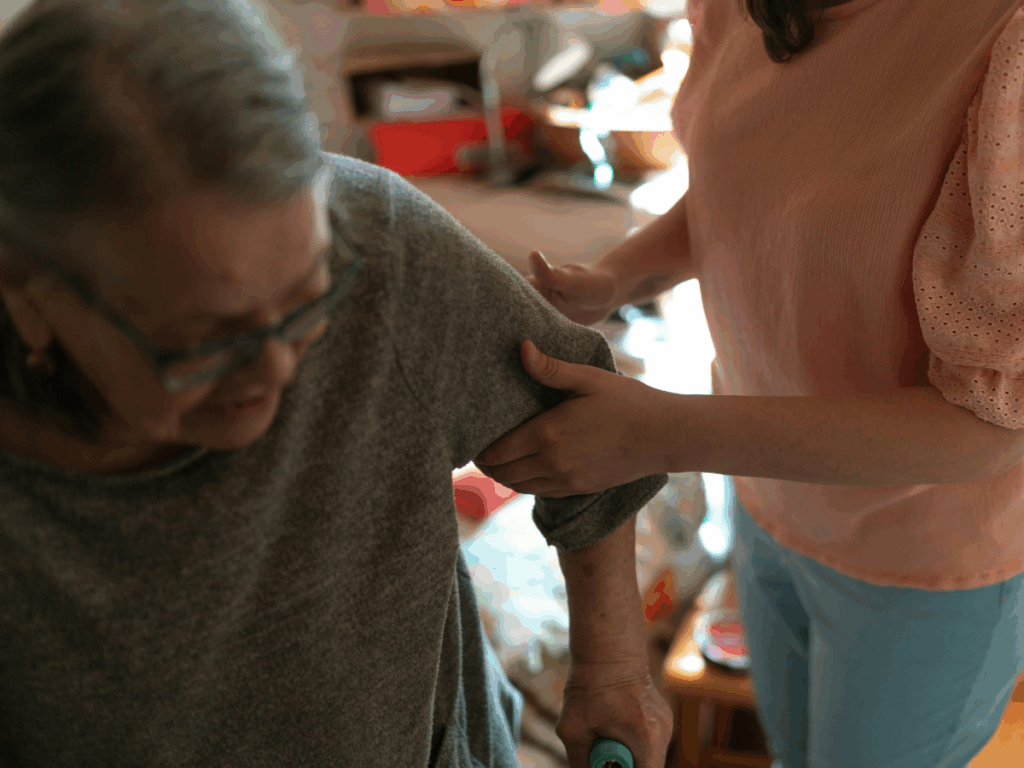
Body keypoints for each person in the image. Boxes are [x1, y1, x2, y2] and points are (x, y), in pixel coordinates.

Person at [0, 1, 676, 766]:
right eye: (206, 342)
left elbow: (593, 428)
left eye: (305, 302)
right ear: (27, 295)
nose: (277, 372)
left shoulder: (379, 244)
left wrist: (613, 672)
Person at [474, 0, 1024, 766]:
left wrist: (657, 432)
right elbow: (744, 191)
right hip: (766, 502)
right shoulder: (746, 8)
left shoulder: (1001, 41)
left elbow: (993, 427)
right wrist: (613, 279)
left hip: (924, 557)